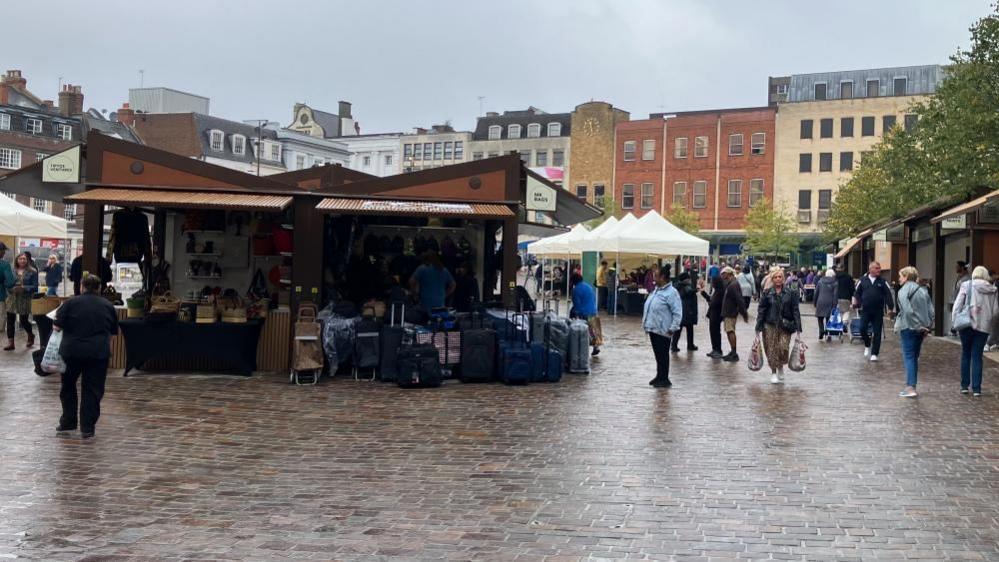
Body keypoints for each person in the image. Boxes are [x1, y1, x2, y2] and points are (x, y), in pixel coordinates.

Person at [54, 274, 119, 439]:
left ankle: (68, 423)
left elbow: (56, 326)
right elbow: (112, 332)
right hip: (97, 353)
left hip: (71, 352)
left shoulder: (70, 303)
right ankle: (87, 427)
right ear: (99, 288)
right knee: (92, 389)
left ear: (82, 286)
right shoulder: (107, 305)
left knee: (68, 387)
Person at [952, 266, 998, 396]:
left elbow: (957, 305)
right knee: (977, 356)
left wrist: (954, 321)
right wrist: (989, 322)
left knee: (966, 353)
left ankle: (964, 386)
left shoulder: (967, 285)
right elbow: (995, 312)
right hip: (983, 326)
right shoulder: (993, 289)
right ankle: (977, 389)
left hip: (967, 323)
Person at [755, 267, 802, 384]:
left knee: (783, 347)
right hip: (769, 325)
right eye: (775, 277)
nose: (778, 279)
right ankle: (774, 372)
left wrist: (798, 329)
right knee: (771, 350)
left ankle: (780, 366)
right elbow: (761, 310)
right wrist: (758, 328)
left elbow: (796, 310)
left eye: (780, 277)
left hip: (785, 325)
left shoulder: (791, 293)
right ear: (772, 279)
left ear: (783, 278)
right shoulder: (767, 293)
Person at [894, 267, 934, 398]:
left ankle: (910, 387)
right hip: (921, 329)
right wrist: (927, 326)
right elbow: (931, 312)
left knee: (909, 357)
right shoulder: (923, 290)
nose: (899, 278)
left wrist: (917, 326)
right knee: (914, 357)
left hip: (909, 327)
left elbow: (907, 310)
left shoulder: (903, 291)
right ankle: (912, 385)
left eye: (900, 276)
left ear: (906, 277)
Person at [642, 265, 682, 388]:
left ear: (663, 277)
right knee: (658, 354)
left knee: (663, 354)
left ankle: (664, 378)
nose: (654, 277)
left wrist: (673, 327)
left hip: (663, 329)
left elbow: (677, 312)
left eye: (656, 275)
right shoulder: (657, 290)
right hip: (653, 328)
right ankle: (659, 375)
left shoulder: (671, 292)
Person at [854, 261, 895, 362]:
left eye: (879, 268)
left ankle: (874, 353)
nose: (879, 270)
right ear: (870, 269)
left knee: (877, 332)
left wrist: (890, 307)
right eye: (877, 268)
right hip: (865, 310)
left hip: (878, 311)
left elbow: (888, 294)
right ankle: (867, 344)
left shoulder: (882, 281)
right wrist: (857, 303)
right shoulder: (862, 280)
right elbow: (857, 293)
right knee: (862, 328)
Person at [4, 252, 38, 351]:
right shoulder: (11, 270)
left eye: (24, 259)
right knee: (10, 320)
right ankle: (11, 343)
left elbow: (35, 287)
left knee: (23, 321)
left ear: (27, 260)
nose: (22, 260)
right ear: (17, 260)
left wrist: (24, 288)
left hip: (25, 299)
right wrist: (11, 289)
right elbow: (6, 283)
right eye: (20, 258)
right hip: (12, 298)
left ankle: (31, 335)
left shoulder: (33, 271)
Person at [719, 266, 748, 362]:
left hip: (730, 312)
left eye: (724, 273)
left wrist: (744, 313)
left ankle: (734, 352)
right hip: (728, 312)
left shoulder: (733, 284)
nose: (722, 275)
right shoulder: (730, 284)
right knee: (728, 331)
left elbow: (739, 299)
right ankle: (732, 351)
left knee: (730, 331)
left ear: (729, 274)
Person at [570, 273, 601, 356]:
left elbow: (577, 304)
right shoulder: (589, 286)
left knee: (584, 331)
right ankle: (596, 346)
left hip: (583, 313)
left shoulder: (575, 290)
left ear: (573, 281)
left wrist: (574, 315)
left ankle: (582, 349)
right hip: (593, 311)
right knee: (594, 330)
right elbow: (594, 298)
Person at [671, 272, 699, 353]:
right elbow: (689, 292)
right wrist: (696, 290)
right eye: (688, 278)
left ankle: (675, 345)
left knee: (681, 329)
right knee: (686, 329)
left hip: (682, 310)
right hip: (686, 310)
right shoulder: (685, 286)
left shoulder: (677, 286)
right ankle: (686, 345)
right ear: (685, 279)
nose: (689, 280)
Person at [700, 274, 725, 358]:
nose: (712, 284)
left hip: (716, 315)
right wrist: (704, 294)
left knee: (716, 333)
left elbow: (713, 303)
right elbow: (711, 300)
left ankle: (718, 350)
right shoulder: (717, 291)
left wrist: (710, 301)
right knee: (713, 332)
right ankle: (714, 349)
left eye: (713, 282)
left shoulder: (720, 292)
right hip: (713, 315)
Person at [814, 269, 839, 340]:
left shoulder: (820, 281)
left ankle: (821, 331)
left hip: (820, 301)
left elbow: (816, 293)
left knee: (820, 318)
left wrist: (815, 302)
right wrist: (835, 305)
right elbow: (835, 295)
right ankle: (828, 333)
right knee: (828, 318)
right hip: (830, 302)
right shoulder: (835, 283)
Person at [0, 243, 13, 328]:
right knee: (1, 315)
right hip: (1, 294)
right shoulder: (5, 265)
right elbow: (9, 282)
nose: (4, 253)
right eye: (3, 251)